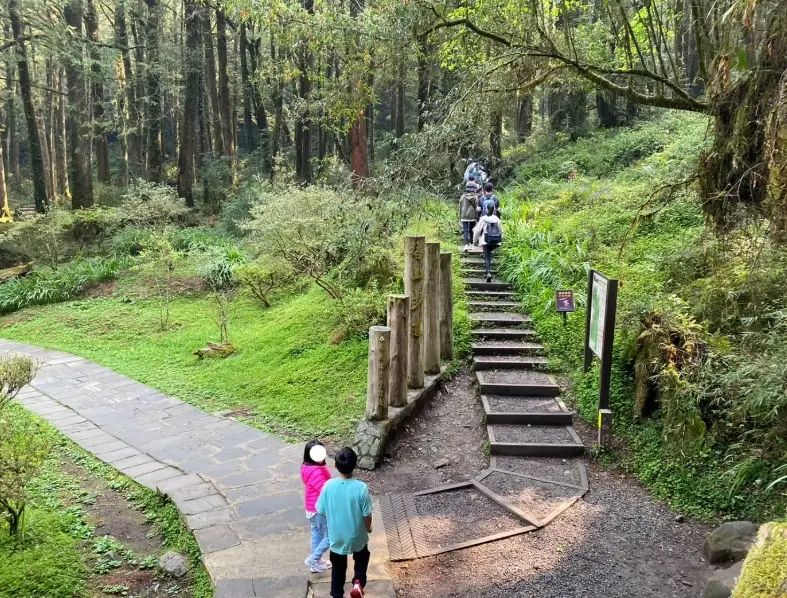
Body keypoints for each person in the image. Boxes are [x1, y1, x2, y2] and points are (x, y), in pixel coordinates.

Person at [316, 447, 373, 598]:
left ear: (335, 465)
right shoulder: (361, 488)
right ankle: (358, 582)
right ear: (355, 465)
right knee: (362, 556)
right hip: (357, 535)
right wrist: (369, 528)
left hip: (337, 536)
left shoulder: (328, 486)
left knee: (338, 566)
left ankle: (336, 594)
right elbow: (367, 515)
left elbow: (320, 510)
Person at [302, 441, 332, 573]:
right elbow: (324, 490)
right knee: (332, 536)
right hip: (318, 510)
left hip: (311, 509)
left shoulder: (307, 467)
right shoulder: (317, 472)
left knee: (317, 535)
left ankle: (315, 563)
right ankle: (314, 559)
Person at [474, 203, 503, 282]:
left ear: (486, 209)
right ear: (494, 209)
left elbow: (477, 231)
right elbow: (501, 230)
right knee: (489, 254)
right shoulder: (496, 219)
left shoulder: (483, 219)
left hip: (485, 240)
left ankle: (488, 273)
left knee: (487, 257)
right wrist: (501, 239)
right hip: (495, 241)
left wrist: (475, 240)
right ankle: (489, 271)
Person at [459, 182, 479, 252]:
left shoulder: (462, 196)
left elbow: (460, 207)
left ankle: (466, 245)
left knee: (465, 231)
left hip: (464, 215)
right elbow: (477, 207)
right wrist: (477, 217)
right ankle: (471, 244)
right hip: (472, 216)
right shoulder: (475, 197)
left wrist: (460, 216)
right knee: (471, 230)